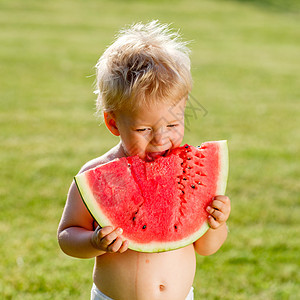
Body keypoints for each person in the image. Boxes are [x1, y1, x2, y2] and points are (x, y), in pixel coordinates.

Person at [57, 20, 231, 300]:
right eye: (144, 129)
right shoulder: (96, 174)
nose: (160, 139)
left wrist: (217, 223)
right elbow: (66, 236)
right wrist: (93, 241)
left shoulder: (189, 174)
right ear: (113, 123)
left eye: (173, 125)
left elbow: (206, 247)